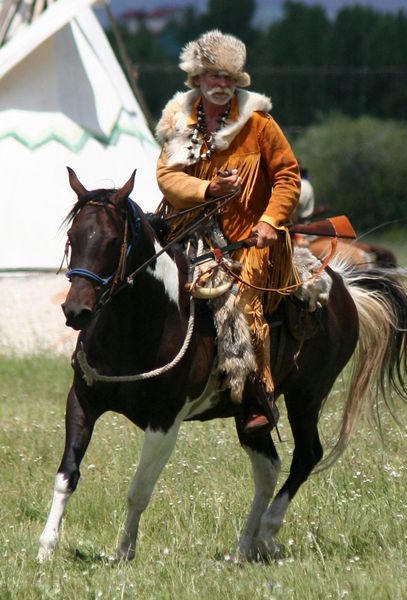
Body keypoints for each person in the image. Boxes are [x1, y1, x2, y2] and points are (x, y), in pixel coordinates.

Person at [155, 29, 301, 434]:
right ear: (197, 80)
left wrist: (270, 221)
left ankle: (258, 395)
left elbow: (288, 177)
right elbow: (166, 176)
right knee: (145, 274)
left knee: (244, 301)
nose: (222, 85)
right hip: (188, 229)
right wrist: (206, 189)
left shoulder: (260, 124)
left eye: (229, 78)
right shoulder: (178, 122)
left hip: (250, 238)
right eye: (214, 77)